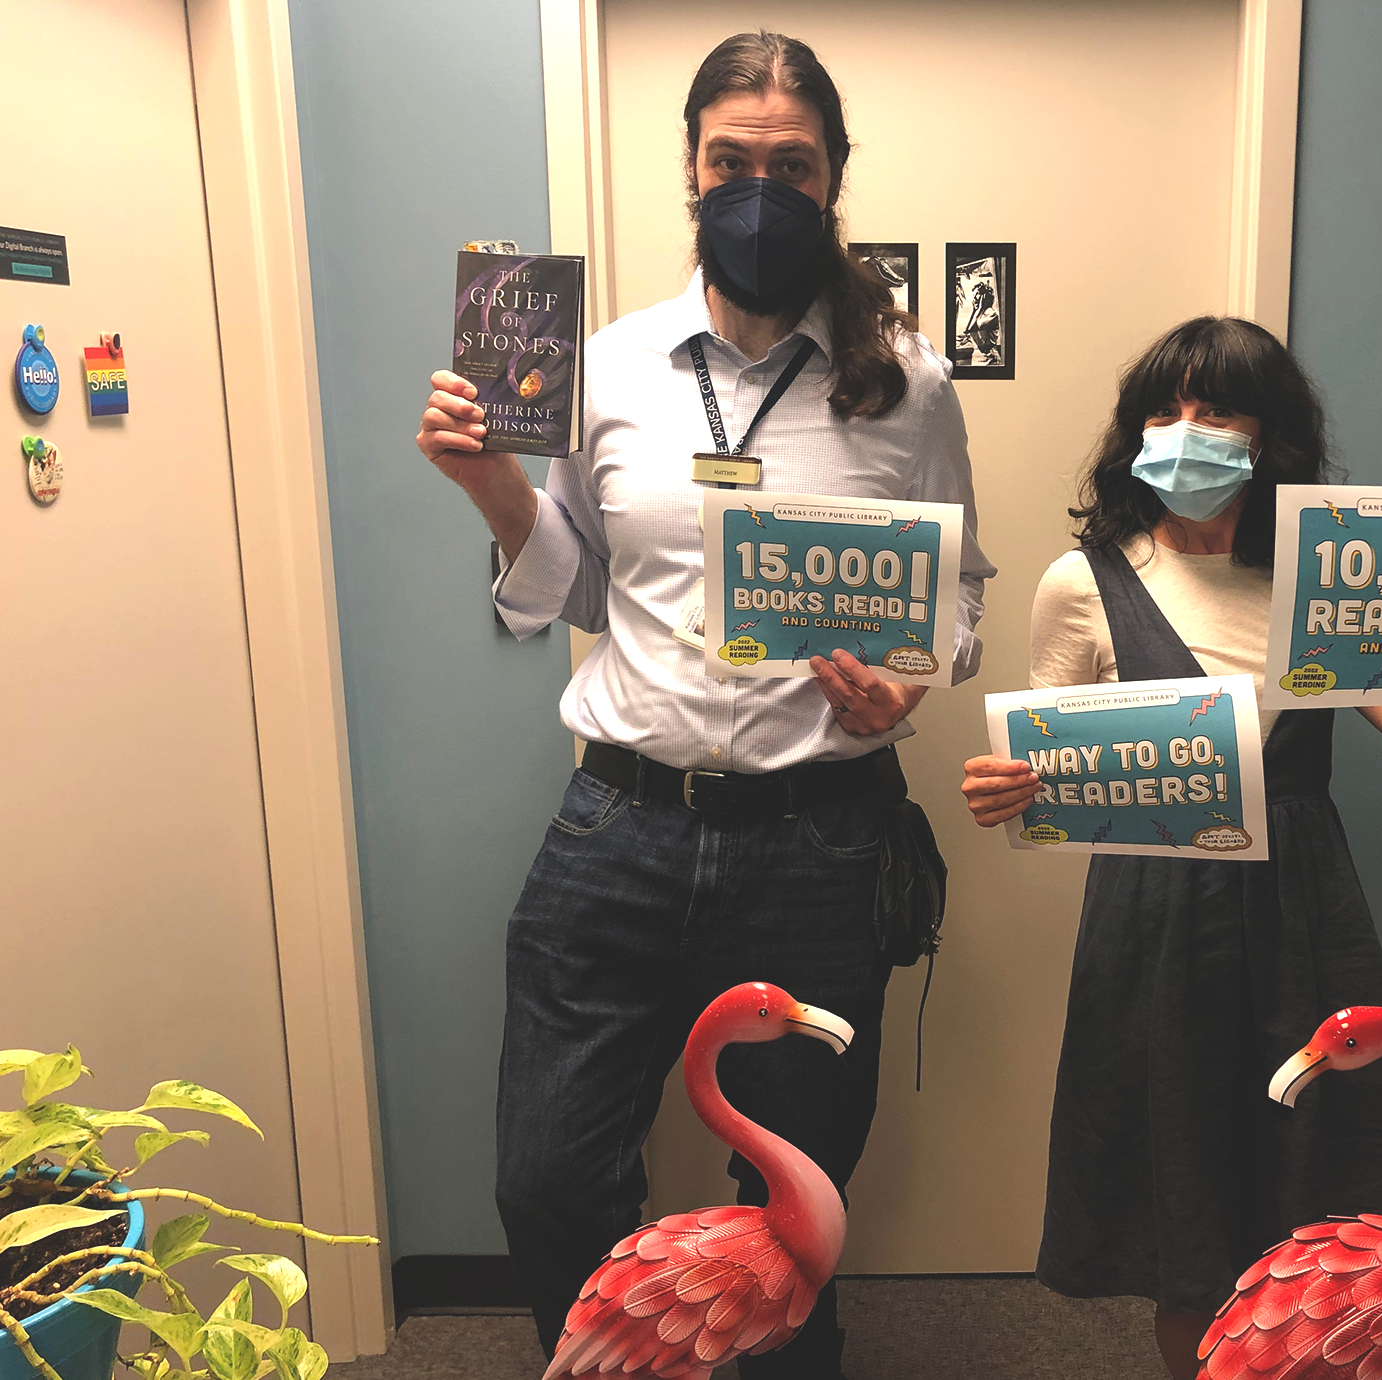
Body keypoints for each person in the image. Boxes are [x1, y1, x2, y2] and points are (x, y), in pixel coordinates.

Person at [414, 32, 992, 1379]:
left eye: (792, 165)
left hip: (822, 838)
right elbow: (577, 586)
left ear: (833, 179)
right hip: (619, 827)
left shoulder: (910, 383)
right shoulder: (605, 366)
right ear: (691, 167)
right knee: (547, 1179)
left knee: (793, 1203)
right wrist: (492, 487)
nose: (758, 191)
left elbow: (959, 592)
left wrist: (911, 677)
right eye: (731, 161)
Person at [958, 316, 1382, 1380]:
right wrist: (1008, 789)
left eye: (1216, 410)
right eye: (1163, 410)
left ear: (1269, 437)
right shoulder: (1081, 583)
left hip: (1304, 909)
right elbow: (1054, 766)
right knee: (1183, 1207)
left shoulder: (1322, 583)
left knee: (1335, 1174)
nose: (1185, 431)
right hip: (1156, 921)